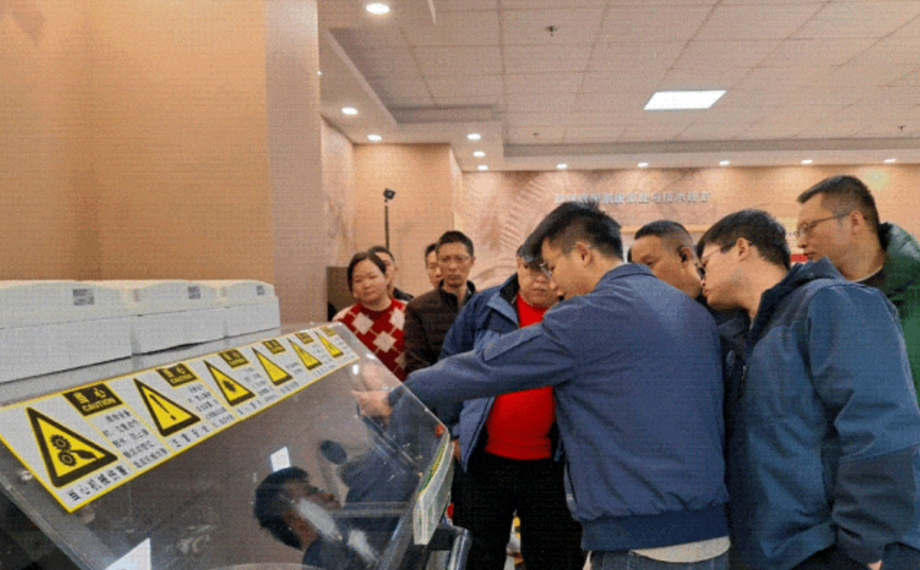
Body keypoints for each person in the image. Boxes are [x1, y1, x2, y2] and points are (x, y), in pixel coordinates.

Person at [367, 202, 730, 569]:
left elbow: (489, 366)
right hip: (711, 534)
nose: (553, 283)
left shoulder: (588, 315)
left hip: (639, 538)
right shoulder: (689, 309)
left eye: (553, 267)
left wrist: (398, 395)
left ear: (583, 254)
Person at [696, 209, 920, 570]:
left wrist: (866, 545)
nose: (700, 278)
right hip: (772, 552)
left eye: (705, 264)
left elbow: (881, 425)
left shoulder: (830, 302)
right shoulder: (741, 341)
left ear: (741, 248)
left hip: (831, 550)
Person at [438, 243, 583, 570]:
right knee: (478, 555)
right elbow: (451, 366)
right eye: (532, 269)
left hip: (553, 465)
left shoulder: (577, 311)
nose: (541, 279)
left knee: (553, 557)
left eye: (548, 269)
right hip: (484, 459)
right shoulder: (485, 306)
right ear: (518, 263)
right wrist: (455, 431)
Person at [795, 175, 920, 396]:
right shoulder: (808, 300)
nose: (801, 242)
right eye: (799, 232)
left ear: (854, 221)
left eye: (809, 228)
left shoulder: (914, 289)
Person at [254, 467, 376, 570]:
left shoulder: (345, 535)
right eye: (311, 492)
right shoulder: (327, 559)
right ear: (294, 518)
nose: (328, 495)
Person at [403, 231, 477, 375]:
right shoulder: (418, 308)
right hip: (437, 385)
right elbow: (416, 364)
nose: (452, 266)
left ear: (472, 261)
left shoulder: (485, 305)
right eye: (445, 260)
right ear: (438, 262)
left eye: (460, 259)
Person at [334, 251, 408, 380]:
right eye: (358, 280)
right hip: (362, 391)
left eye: (372, 277)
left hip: (407, 389)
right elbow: (341, 368)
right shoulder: (342, 321)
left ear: (386, 278)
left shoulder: (408, 311)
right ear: (352, 288)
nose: (366, 285)